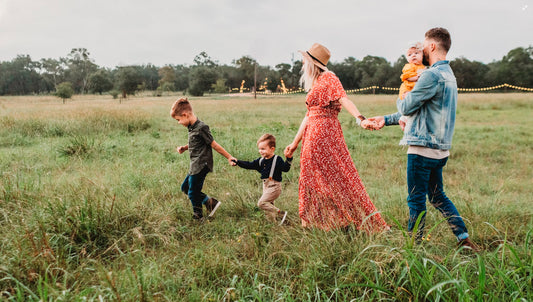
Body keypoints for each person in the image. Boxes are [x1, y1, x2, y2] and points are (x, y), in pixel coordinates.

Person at [367, 28, 479, 251]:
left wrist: (403, 97)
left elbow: (408, 106)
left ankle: (413, 246)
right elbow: (422, 111)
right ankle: (463, 239)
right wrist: (386, 119)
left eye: (425, 46)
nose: (422, 50)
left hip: (422, 149)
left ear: (433, 47)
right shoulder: (449, 75)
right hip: (440, 150)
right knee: (438, 196)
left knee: (415, 199)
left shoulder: (430, 75)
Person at [284, 43, 389, 232]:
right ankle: (318, 222)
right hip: (313, 134)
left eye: (304, 60)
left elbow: (344, 99)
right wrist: (294, 143)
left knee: (338, 176)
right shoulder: (316, 83)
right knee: (312, 177)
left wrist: (360, 119)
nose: (302, 64)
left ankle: (347, 220)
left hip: (324, 133)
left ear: (313, 63)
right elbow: (308, 115)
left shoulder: (329, 77)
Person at [171, 98, 236, 221]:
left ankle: (198, 216)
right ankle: (210, 203)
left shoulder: (202, 127)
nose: (178, 122)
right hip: (194, 165)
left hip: (201, 165)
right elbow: (197, 142)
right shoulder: (191, 127)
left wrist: (229, 157)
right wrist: (185, 148)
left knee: (192, 192)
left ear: (185, 115)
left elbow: (213, 144)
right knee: (185, 187)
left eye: (178, 120)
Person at [233, 134, 292, 225]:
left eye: (263, 149)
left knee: (262, 203)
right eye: (259, 149)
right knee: (268, 208)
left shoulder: (277, 159)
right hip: (265, 186)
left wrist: (289, 158)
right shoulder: (260, 161)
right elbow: (249, 165)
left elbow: (286, 169)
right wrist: (237, 162)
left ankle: (281, 213)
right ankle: (274, 225)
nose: (260, 151)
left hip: (274, 186)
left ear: (272, 149)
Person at [398, 42, 426, 129]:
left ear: (422, 55)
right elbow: (406, 77)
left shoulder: (423, 67)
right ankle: (404, 119)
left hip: (415, 89)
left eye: (416, 53)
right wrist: (417, 77)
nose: (413, 56)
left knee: (416, 105)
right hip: (407, 89)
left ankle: (404, 118)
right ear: (407, 58)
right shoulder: (409, 66)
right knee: (410, 102)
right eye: (410, 55)